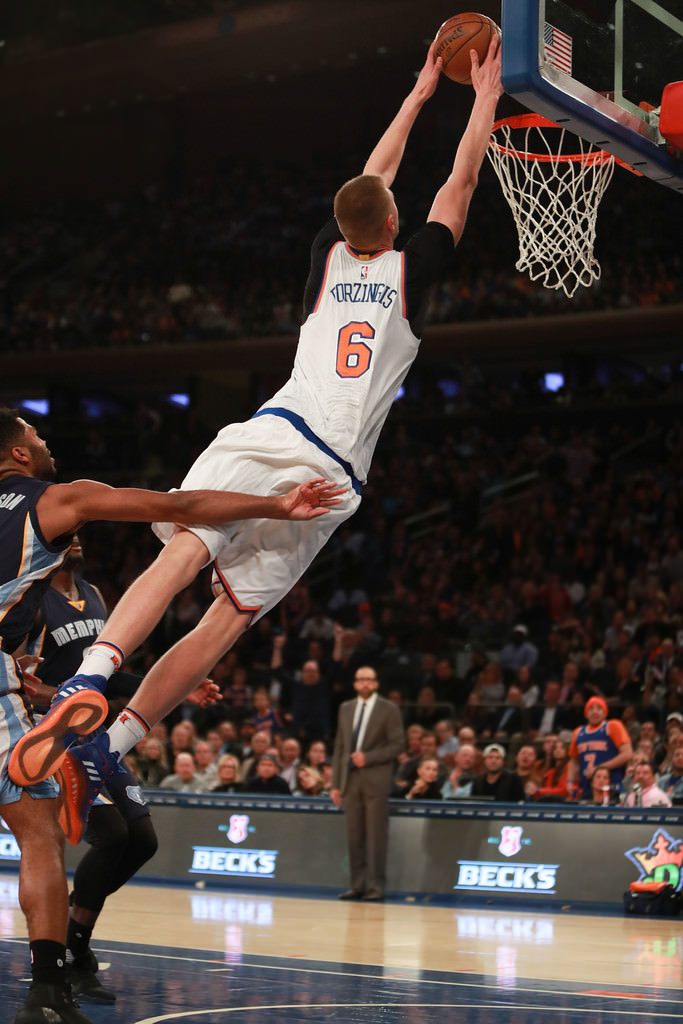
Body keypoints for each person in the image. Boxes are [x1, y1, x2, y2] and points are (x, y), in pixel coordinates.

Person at [9, 35, 504, 845]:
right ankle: (117, 740)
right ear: (392, 223)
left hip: (268, 426)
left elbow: (373, 178)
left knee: (181, 554)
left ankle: (89, 680)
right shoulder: (411, 271)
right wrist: (480, 95)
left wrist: (418, 93)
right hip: (332, 466)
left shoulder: (323, 255)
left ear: (347, 227)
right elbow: (461, 178)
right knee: (226, 622)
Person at [0, 408, 335, 1024]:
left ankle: (71, 961)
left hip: (45, 693)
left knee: (125, 836)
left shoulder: (92, 594)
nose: (45, 444)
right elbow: (179, 506)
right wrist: (275, 507)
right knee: (40, 837)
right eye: (37, 438)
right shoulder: (51, 502)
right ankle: (48, 990)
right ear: (18, 456)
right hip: (17, 698)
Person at [23, 534, 157, 1005]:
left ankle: (72, 934)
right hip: (51, 734)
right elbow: (25, 679)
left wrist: (172, 684)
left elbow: (109, 676)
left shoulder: (97, 596)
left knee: (143, 840)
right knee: (112, 835)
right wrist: (36, 691)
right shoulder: (33, 600)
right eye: (68, 533)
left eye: (82, 533)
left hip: (95, 733)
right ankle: (73, 951)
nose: (77, 538)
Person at [330, 666, 404, 901]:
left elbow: (397, 745)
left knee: (375, 837)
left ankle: (376, 886)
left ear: (376, 684)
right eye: (360, 679)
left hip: (376, 780)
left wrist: (368, 758)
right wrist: (335, 783)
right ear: (354, 683)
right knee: (354, 837)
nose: (364, 683)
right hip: (350, 781)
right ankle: (357, 885)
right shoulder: (345, 708)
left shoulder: (389, 709)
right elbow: (340, 747)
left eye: (368, 680)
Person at [567, 696, 633, 800]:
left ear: (605, 712)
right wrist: (570, 781)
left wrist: (599, 769)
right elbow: (573, 761)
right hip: (586, 787)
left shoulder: (613, 726)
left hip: (611, 786)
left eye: (599, 708)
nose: (595, 712)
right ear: (586, 714)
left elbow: (627, 754)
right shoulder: (578, 732)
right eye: (591, 709)